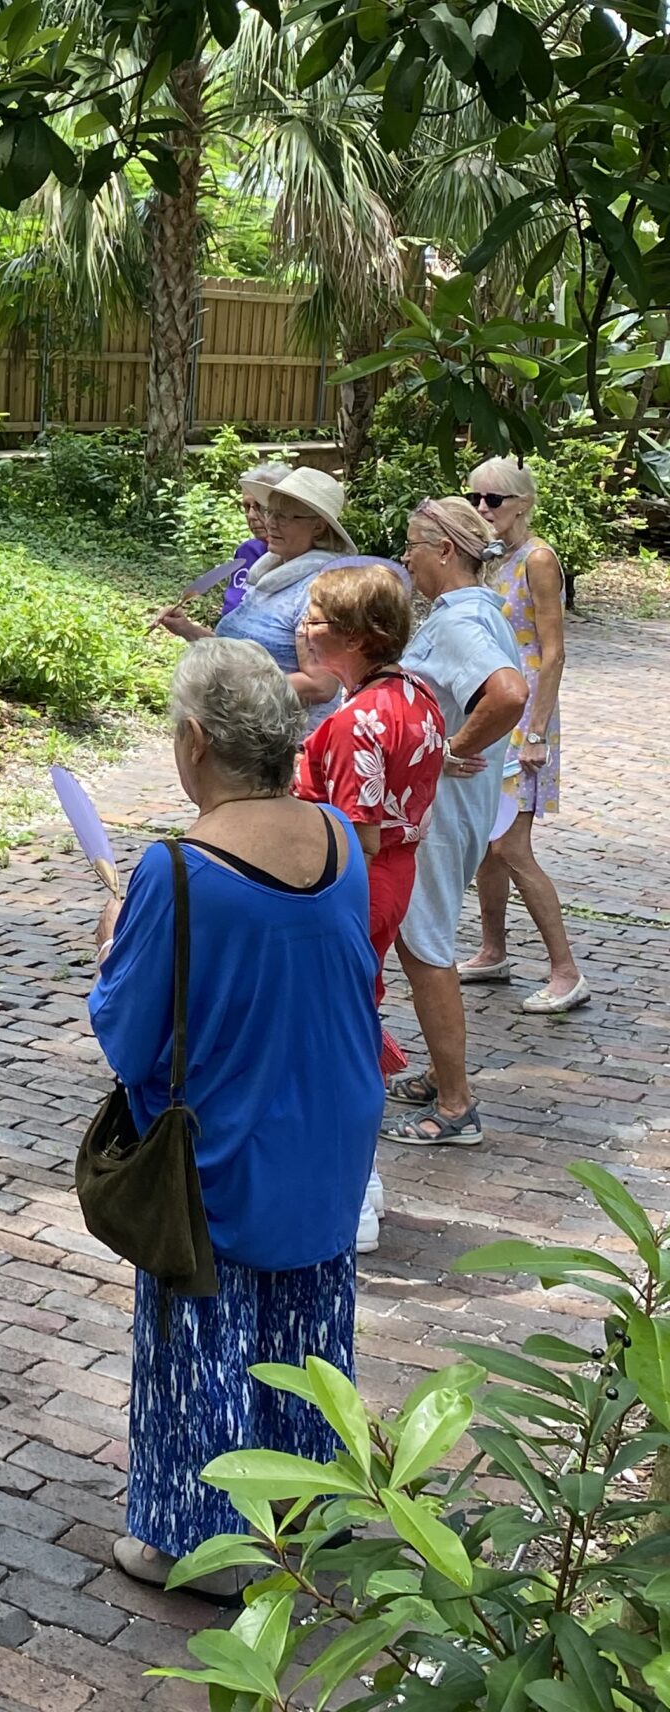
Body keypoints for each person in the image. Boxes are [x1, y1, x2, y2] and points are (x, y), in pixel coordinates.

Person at [91, 639, 383, 1601]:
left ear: (195, 743)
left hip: (222, 1145)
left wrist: (110, 951)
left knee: (204, 1338)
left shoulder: (179, 870)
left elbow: (131, 1039)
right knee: (307, 1327)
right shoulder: (341, 839)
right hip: (331, 1127)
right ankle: (309, 1508)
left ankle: (199, 1538)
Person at [295, 564, 448, 1249]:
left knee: (334, 1031)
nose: (305, 629)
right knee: (355, 1012)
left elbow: (351, 833)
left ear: (360, 636)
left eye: (318, 620)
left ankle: (351, 1186)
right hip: (396, 873)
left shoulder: (358, 719)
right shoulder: (416, 694)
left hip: (351, 884)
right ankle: (360, 1179)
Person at [384, 499, 528, 1148]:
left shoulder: (462, 621)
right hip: (447, 812)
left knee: (426, 947)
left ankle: (455, 1105)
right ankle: (443, 1075)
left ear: (444, 550)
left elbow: (508, 694)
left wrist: (451, 749)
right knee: (423, 945)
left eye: (413, 545)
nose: (405, 557)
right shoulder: (470, 615)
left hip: (438, 815)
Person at [459, 458, 586, 1014]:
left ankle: (566, 971)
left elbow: (554, 650)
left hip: (526, 714)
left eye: (493, 499)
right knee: (489, 842)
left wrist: (536, 731)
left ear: (521, 503)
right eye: (476, 498)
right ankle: (493, 950)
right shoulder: (492, 559)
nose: (483, 508)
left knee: (512, 846)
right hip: (494, 708)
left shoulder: (537, 559)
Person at [157, 466, 353, 721]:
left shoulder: (322, 590)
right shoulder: (270, 573)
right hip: (244, 733)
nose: (270, 522)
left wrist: (234, 684)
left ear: (317, 527)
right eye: (269, 511)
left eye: (284, 516)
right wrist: (188, 629)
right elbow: (242, 651)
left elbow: (320, 686)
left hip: (283, 744)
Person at [220, 459, 292, 613]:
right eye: (246, 507)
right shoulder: (247, 552)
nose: (251, 515)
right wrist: (187, 628)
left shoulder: (305, 561)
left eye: (260, 506)